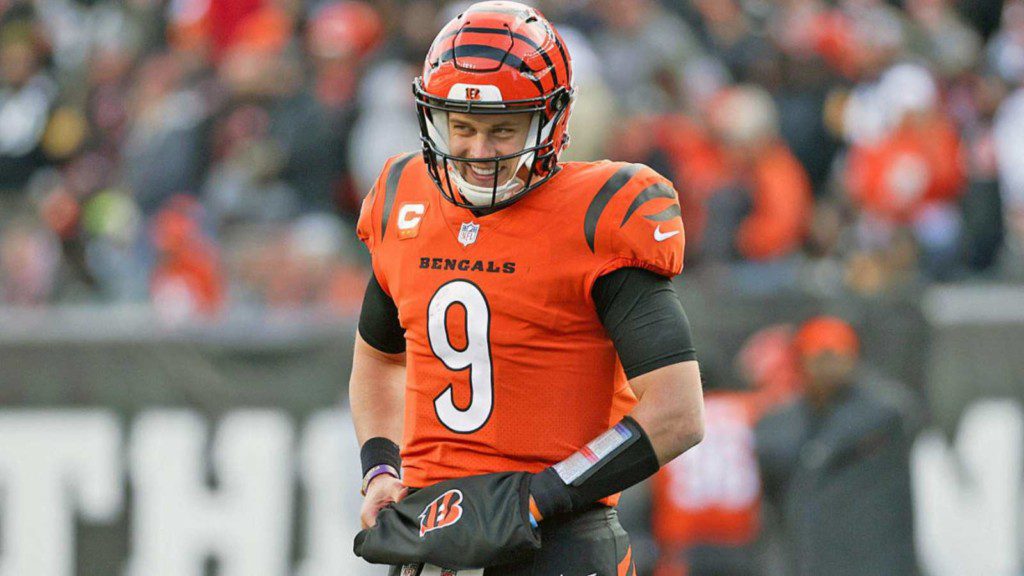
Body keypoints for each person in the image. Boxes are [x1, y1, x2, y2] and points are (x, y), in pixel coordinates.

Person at [348, 2, 705, 574]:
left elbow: (678, 411)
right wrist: (382, 471)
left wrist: (540, 497)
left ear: (552, 119)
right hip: (429, 535)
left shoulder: (599, 214)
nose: (478, 151)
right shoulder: (402, 194)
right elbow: (379, 360)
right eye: (460, 127)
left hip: (558, 542)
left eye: (502, 129)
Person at [755, 316, 919, 576]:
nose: (830, 367)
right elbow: (770, 452)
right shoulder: (785, 419)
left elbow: (891, 412)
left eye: (839, 356)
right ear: (801, 361)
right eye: (821, 357)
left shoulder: (881, 411)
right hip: (810, 555)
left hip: (873, 556)